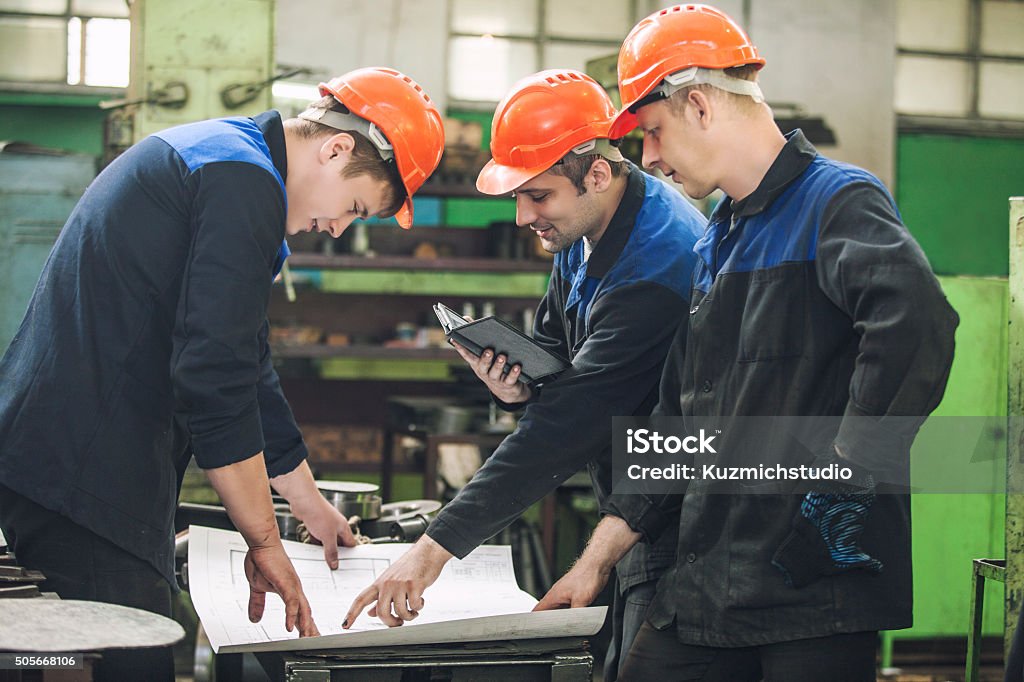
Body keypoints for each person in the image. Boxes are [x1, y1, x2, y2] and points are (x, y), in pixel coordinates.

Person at [533, 6, 959, 681]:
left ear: (699, 104)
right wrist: (593, 564)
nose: (647, 158)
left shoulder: (836, 203)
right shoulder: (716, 241)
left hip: (810, 596)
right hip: (706, 588)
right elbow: (679, 427)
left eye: (650, 132)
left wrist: (847, 481)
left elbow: (917, 325)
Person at [0, 67, 444, 681]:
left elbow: (246, 360)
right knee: (129, 665)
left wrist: (309, 504)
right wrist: (264, 541)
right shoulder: (242, 181)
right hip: (83, 472)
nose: (337, 228)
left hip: (71, 458)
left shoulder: (226, 156)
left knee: (108, 660)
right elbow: (215, 373)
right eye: (353, 207)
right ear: (335, 148)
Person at [342, 69, 706, 680]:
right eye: (518, 196)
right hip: (628, 490)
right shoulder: (585, 226)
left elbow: (564, 426)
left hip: (675, 514)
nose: (522, 216)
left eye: (537, 196)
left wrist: (433, 550)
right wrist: (519, 385)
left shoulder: (657, 266)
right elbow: (555, 349)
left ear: (595, 173)